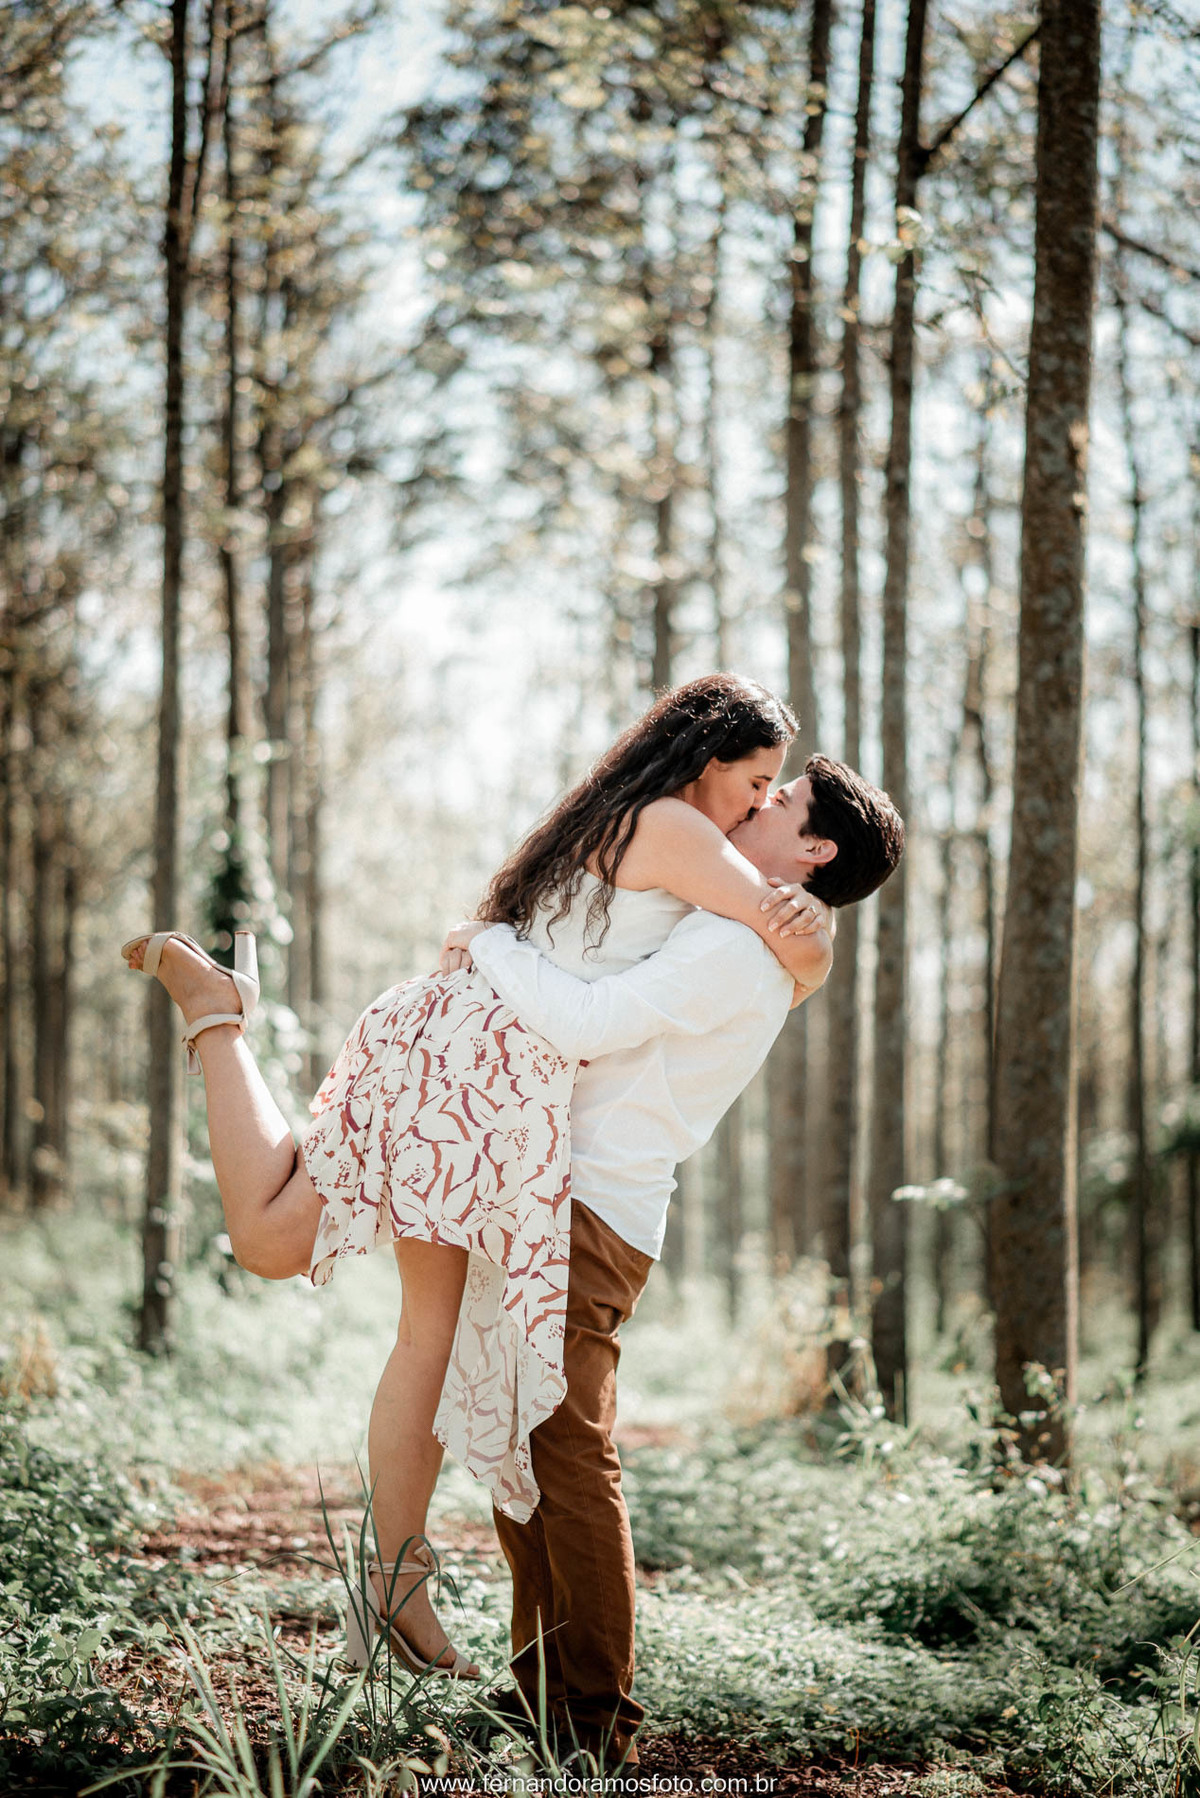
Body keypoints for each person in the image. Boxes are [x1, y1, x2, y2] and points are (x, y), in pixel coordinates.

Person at [120, 675, 834, 1683]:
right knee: (419, 1330)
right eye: (756, 780)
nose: (760, 803)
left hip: (453, 1033)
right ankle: (398, 1589)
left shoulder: (614, 812)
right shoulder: (677, 826)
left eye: (775, 791)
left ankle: (220, 1016)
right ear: (707, 759)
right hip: (488, 1071)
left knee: (282, 1243)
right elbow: (779, 925)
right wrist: (816, 962)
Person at [441, 754, 905, 1769]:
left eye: (781, 800)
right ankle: (542, 1700)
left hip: (594, 1209)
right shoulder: (746, 932)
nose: (757, 800)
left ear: (816, 849)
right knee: (529, 1452)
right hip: (559, 1196)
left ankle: (594, 1728)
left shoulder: (743, 949)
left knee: (568, 1454)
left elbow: (590, 1023)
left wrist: (488, 945)